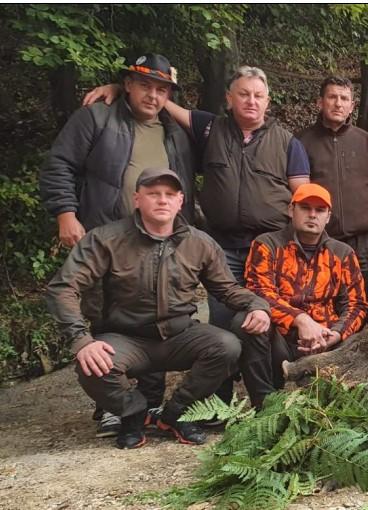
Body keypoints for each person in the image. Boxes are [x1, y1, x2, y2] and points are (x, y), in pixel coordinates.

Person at [83, 66, 312, 403]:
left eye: (258, 95)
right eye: (244, 94)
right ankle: (216, 402)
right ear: (229, 98)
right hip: (222, 248)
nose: (251, 101)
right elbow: (159, 102)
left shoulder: (288, 142)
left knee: (270, 318)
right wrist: (120, 88)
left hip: (269, 247)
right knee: (221, 323)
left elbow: (303, 198)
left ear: (268, 101)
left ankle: (270, 400)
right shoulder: (209, 128)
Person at [45, 168, 271, 448]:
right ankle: (134, 414)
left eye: (169, 195)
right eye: (153, 194)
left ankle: (177, 414)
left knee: (227, 346)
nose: (162, 200)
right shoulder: (105, 239)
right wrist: (81, 340)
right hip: (126, 338)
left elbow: (226, 289)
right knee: (92, 365)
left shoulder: (199, 243)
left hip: (179, 336)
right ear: (137, 199)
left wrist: (257, 306)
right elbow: (63, 287)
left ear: (180, 201)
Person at [42, 53, 195, 437]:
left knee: (158, 313)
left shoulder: (174, 132)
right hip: (107, 236)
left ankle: (152, 400)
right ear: (127, 84)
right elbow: (60, 164)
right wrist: (65, 212)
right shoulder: (97, 118)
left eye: (162, 90)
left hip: (161, 240)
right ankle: (115, 403)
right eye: (145, 85)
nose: (153, 95)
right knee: (108, 316)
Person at [237, 183, 368, 409]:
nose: (312, 215)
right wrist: (302, 320)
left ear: (328, 217)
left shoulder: (342, 253)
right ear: (291, 210)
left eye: (319, 210)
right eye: (305, 208)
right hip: (280, 337)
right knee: (252, 322)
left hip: (326, 339)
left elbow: (357, 304)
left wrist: (336, 334)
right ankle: (264, 407)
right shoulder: (267, 244)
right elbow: (259, 291)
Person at [297, 77, 368, 303]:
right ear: (320, 102)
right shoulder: (300, 142)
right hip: (322, 238)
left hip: (363, 241)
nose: (338, 103)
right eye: (332, 97)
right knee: (324, 302)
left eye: (344, 99)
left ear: (352, 106)